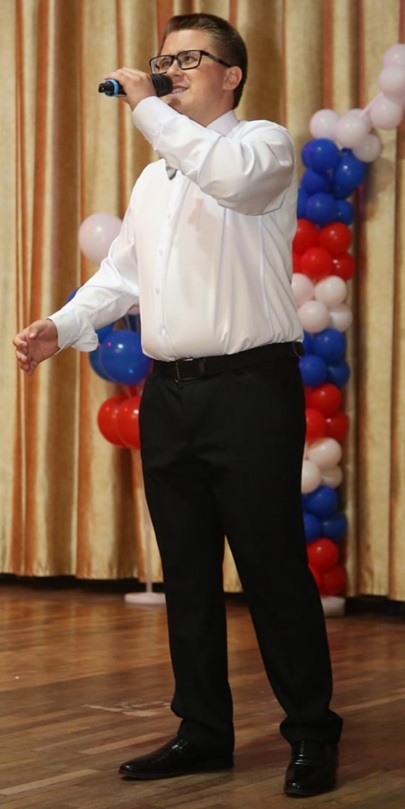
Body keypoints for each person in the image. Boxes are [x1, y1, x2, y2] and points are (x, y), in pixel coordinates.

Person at [14, 12, 343, 798]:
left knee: (269, 565)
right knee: (187, 570)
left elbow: (225, 178)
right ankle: (202, 728)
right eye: (162, 61)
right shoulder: (153, 177)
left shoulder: (260, 144)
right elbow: (122, 275)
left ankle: (310, 731)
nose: (169, 71)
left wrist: (145, 106)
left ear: (231, 75)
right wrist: (62, 325)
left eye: (189, 59)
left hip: (249, 390)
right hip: (170, 393)